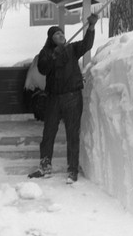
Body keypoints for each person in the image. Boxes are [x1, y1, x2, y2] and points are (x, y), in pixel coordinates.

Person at [28, 13, 98, 183]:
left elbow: (87, 44)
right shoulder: (44, 53)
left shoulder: (72, 49)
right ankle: (45, 165)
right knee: (49, 132)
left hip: (72, 97)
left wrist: (91, 27)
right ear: (51, 39)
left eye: (62, 33)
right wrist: (53, 55)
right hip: (53, 98)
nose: (61, 35)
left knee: (72, 133)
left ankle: (72, 170)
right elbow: (43, 69)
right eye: (56, 34)